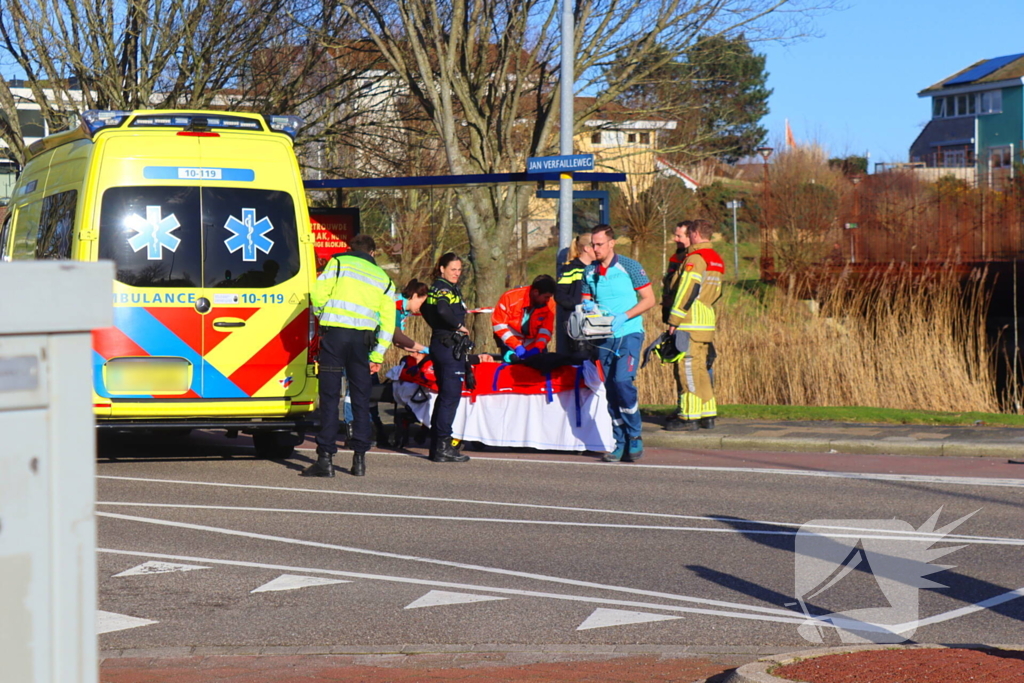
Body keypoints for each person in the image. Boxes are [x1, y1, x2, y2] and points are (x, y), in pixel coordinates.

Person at [304, 233, 396, 478]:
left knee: (330, 397)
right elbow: (388, 323)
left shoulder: (338, 263)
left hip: (334, 338)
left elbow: (317, 294)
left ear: (350, 249)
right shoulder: (384, 278)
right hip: (362, 344)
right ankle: (359, 461)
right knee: (360, 399)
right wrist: (377, 356)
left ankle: (325, 460)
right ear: (372, 253)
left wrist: (324, 317)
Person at [582, 224, 656, 462]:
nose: (595, 249)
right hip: (603, 338)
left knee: (623, 382)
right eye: (593, 244)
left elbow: (649, 299)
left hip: (629, 333)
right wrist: (588, 308)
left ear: (612, 243)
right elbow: (586, 300)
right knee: (611, 390)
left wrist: (625, 315)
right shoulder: (589, 272)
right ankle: (619, 441)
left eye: (600, 244)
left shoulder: (630, 266)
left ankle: (634, 435)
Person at [664, 219, 724, 431]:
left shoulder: (696, 258)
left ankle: (689, 417)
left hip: (689, 322)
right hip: (706, 320)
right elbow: (717, 293)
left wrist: (674, 320)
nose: (686, 238)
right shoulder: (715, 259)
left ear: (696, 234)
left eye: (689, 234)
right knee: (700, 370)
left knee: (687, 369)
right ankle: (707, 413)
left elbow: (687, 290)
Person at [420, 252, 472, 463]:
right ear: (442, 269)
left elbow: (424, 308)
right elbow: (441, 309)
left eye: (459, 270)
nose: (456, 273)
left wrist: (437, 326)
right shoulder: (444, 288)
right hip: (448, 347)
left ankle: (437, 446)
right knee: (450, 397)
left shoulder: (439, 287)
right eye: (453, 269)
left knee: (445, 397)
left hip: (441, 344)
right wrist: (458, 326)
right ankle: (443, 446)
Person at [491, 274, 556, 362]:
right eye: (546, 297)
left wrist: (538, 347)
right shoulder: (509, 298)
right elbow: (499, 326)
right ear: (536, 292)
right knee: (512, 366)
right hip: (510, 342)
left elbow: (545, 330)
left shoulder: (549, 304)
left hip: (533, 344)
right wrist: (516, 346)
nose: (548, 300)